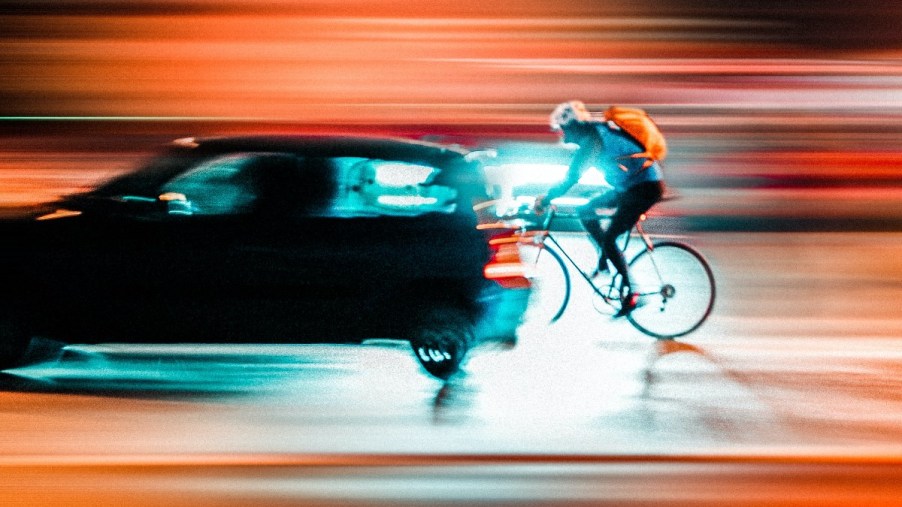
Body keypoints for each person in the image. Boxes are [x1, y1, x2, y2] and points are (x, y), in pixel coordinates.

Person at [535, 100, 666, 317]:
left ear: (574, 126)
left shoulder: (592, 141)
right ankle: (605, 260)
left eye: (564, 130)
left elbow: (572, 177)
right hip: (629, 187)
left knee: (610, 237)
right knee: (585, 211)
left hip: (645, 188)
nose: (562, 136)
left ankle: (634, 293)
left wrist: (546, 198)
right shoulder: (594, 136)